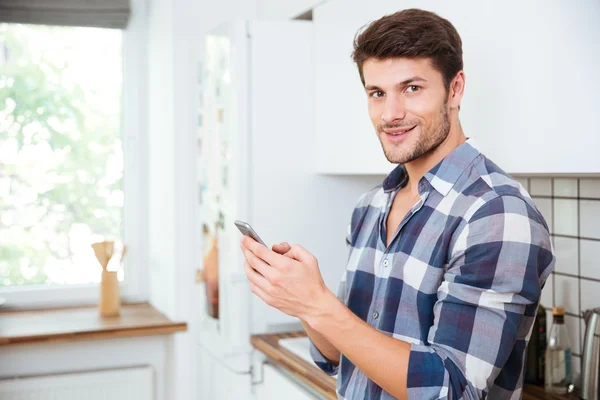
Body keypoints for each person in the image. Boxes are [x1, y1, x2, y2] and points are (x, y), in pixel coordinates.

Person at [240, 8, 554, 400]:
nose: (390, 114)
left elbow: (452, 390)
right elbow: (339, 356)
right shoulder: (371, 206)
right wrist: (304, 299)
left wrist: (320, 306)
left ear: (455, 89)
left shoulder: (496, 214)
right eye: (377, 93)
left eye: (412, 88)